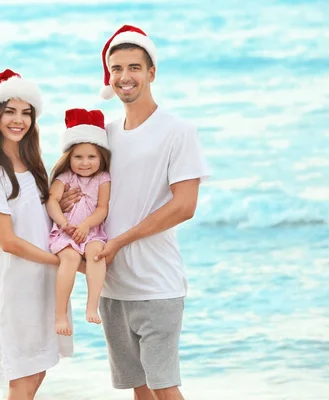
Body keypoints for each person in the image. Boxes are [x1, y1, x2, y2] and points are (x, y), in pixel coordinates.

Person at [61, 25, 211, 400]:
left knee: (164, 388)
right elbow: (79, 192)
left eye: (133, 67)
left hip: (156, 284)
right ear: (108, 76)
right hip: (112, 287)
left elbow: (184, 206)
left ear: (151, 73)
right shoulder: (104, 137)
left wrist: (120, 241)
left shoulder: (178, 131)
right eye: (116, 69)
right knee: (139, 390)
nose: (124, 77)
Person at [0, 68, 73, 400]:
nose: (19, 120)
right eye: (10, 111)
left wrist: (59, 204)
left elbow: (37, 218)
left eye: (26, 112)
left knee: (38, 369)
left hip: (41, 282)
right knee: (23, 376)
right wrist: (59, 260)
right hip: (14, 287)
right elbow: (8, 241)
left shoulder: (33, 165)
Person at [46, 108, 111, 336]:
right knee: (71, 257)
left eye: (91, 157)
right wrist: (64, 223)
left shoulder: (103, 178)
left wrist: (85, 226)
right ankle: (60, 314)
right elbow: (52, 201)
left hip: (91, 231)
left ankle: (92, 304)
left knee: (96, 253)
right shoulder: (64, 178)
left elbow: (102, 208)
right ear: (69, 158)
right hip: (66, 232)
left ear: (101, 157)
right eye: (78, 157)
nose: (85, 163)